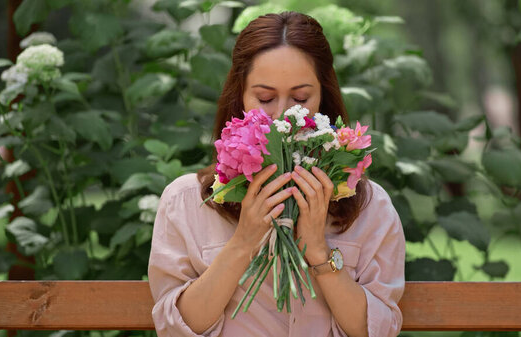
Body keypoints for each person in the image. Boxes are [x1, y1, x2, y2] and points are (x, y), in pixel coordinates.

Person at [148, 11, 406, 337]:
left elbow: (378, 331)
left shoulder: (369, 205)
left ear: (324, 99)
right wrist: (243, 242)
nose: (283, 114)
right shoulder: (186, 201)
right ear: (239, 97)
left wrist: (318, 252)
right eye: (265, 98)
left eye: (300, 98)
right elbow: (173, 329)